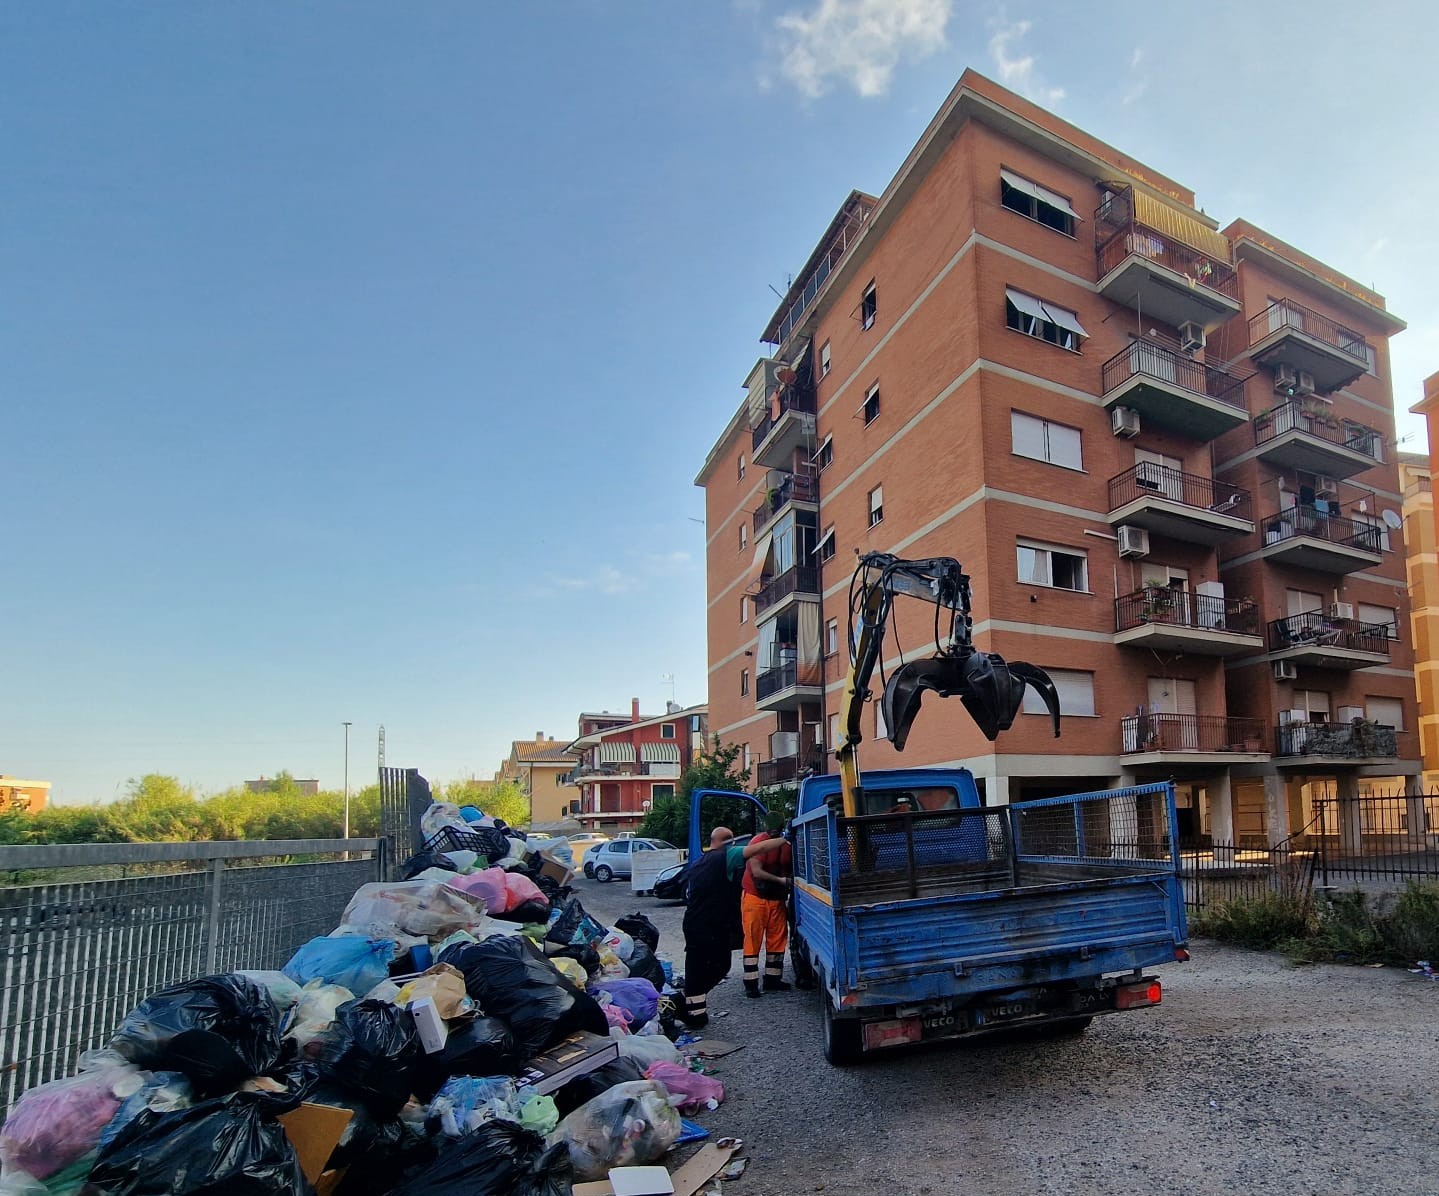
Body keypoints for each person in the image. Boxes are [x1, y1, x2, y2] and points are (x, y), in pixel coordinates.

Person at [680, 826, 789, 1027]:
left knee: (696, 967)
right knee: (721, 965)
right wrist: (785, 838)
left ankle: (694, 1013)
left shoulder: (699, 862)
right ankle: (688, 1004)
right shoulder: (726, 856)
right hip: (712, 924)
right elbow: (758, 848)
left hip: (694, 923)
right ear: (730, 842)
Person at [740, 828, 793, 997]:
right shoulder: (759, 842)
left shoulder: (788, 844)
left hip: (776, 898)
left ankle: (773, 980)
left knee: (777, 939)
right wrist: (781, 881)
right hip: (755, 897)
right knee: (753, 938)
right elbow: (756, 871)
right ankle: (751, 984)